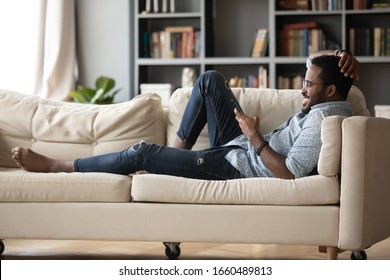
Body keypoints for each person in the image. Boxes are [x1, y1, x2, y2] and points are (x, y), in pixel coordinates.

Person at [11, 50, 358, 180]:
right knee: (209, 80)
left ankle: (58, 165)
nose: (302, 90)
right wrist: (340, 53)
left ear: (330, 91)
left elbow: (291, 174)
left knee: (141, 152)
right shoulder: (326, 104)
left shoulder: (322, 121)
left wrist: (255, 139)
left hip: (238, 167)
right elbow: (324, 65)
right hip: (239, 148)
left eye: (309, 85)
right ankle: (177, 159)